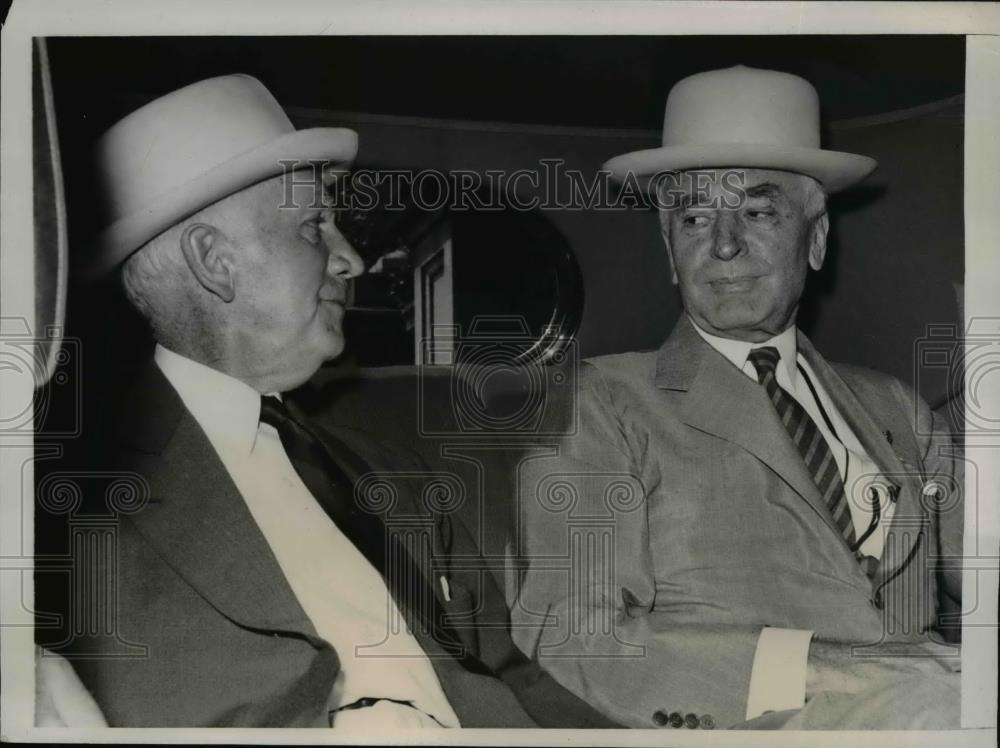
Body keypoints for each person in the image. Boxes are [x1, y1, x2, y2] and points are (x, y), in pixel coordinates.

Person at [45, 74, 616, 729]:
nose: (351, 260)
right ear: (216, 262)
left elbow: (514, 677)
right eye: (315, 226)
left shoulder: (393, 471)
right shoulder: (72, 507)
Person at [511, 65, 964, 730]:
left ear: (814, 238)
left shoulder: (897, 407)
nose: (724, 245)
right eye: (694, 217)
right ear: (670, 252)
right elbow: (570, 632)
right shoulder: (599, 404)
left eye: (757, 211)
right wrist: (829, 668)